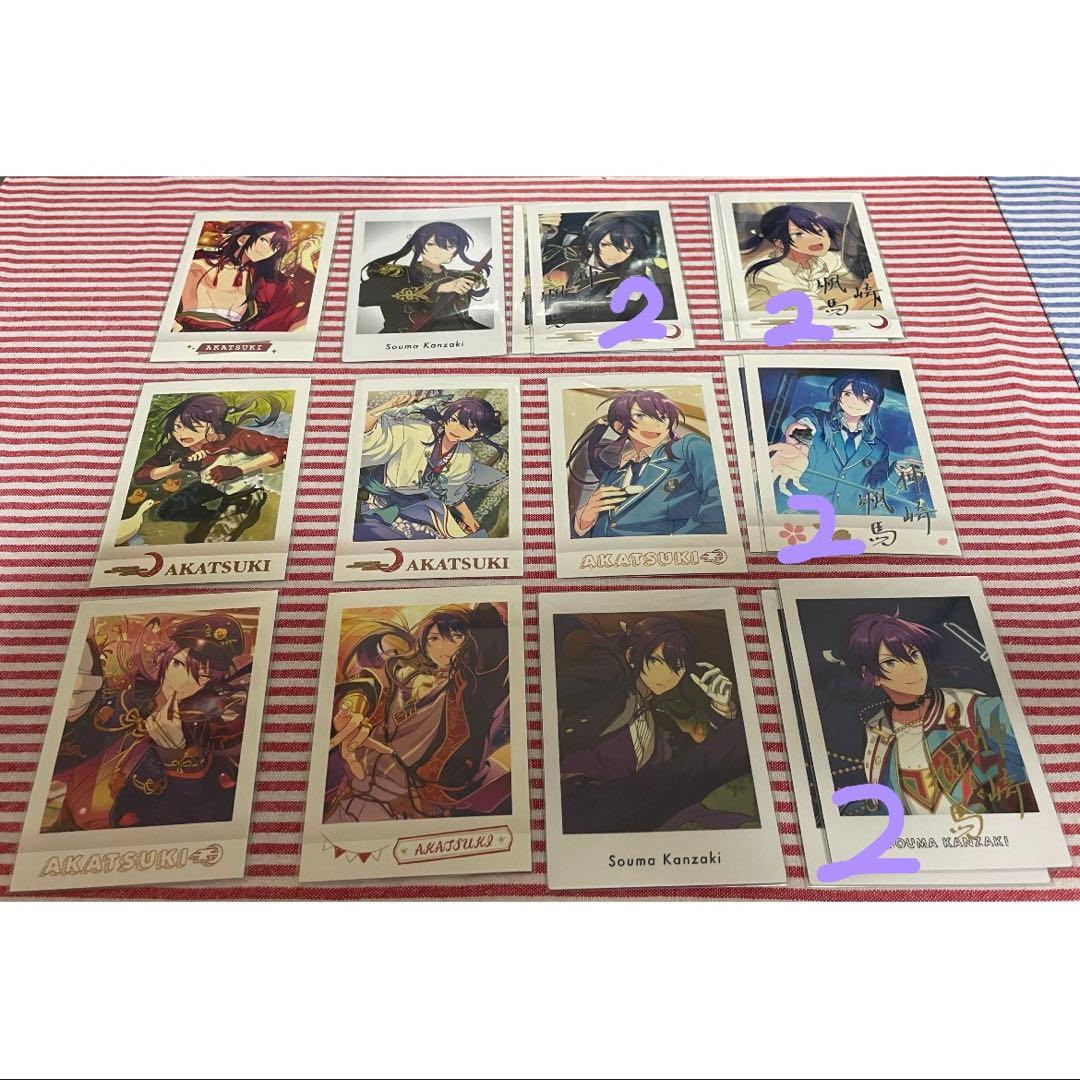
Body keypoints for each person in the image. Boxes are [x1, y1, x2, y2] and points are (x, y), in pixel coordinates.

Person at [44, 613, 251, 831]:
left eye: (202, 677)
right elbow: (66, 753)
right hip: (62, 825)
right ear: (165, 660)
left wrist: (175, 755)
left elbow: (199, 816)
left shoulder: (206, 738)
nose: (183, 682)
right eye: (178, 665)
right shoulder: (123, 702)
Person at [555, 614, 754, 833]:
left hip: (617, 813)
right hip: (576, 802)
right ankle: (748, 735)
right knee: (692, 769)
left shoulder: (658, 725)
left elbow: (691, 760)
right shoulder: (611, 680)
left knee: (696, 797)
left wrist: (721, 707)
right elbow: (560, 688)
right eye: (658, 661)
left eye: (678, 667)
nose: (669, 676)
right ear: (632, 656)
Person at [835, 611, 1034, 816]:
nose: (912, 668)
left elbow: (1022, 792)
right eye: (891, 662)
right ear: (871, 675)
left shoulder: (977, 709)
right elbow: (888, 810)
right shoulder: (877, 733)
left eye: (914, 655)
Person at [324, 604, 511, 821]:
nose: (444, 647)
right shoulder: (407, 675)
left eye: (456, 637)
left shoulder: (470, 689)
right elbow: (369, 682)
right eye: (434, 639)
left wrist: (493, 612)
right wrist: (352, 707)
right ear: (424, 644)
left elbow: (493, 642)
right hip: (356, 790)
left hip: (405, 806)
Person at [129, 393, 288, 544]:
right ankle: (215, 517)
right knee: (168, 511)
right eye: (177, 426)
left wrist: (238, 470)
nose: (181, 434)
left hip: (245, 490)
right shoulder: (181, 444)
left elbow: (283, 447)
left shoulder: (240, 437)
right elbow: (142, 475)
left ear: (213, 426)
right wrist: (179, 466)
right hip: (211, 485)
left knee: (211, 541)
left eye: (193, 426)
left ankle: (243, 514)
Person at [567, 389, 725, 537]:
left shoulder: (688, 447)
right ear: (620, 425)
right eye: (641, 416)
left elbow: (720, 504)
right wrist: (583, 522)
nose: (655, 424)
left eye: (662, 417)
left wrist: (674, 546)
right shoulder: (611, 476)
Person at [354, 392, 506, 542]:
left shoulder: (464, 456)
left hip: (416, 503)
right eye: (453, 420)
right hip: (377, 496)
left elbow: (452, 491)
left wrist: (467, 516)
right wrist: (387, 406)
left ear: (478, 432)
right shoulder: (415, 431)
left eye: (469, 426)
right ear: (446, 417)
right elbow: (367, 432)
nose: (457, 429)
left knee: (458, 537)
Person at [768, 373, 896, 516]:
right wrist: (798, 442)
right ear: (837, 395)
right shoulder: (816, 418)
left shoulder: (879, 449)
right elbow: (804, 424)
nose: (855, 402)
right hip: (797, 511)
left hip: (845, 518)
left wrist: (899, 473)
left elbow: (876, 489)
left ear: (874, 405)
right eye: (848, 394)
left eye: (866, 399)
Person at [172, 220, 321, 332]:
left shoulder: (266, 282)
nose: (268, 250)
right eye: (264, 240)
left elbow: (305, 303)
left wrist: (305, 259)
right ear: (242, 239)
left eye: (275, 247)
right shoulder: (195, 264)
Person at [539, 210, 675, 324]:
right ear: (591, 245)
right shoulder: (569, 250)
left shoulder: (632, 279)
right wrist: (543, 228)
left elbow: (604, 313)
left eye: (626, 248)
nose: (614, 254)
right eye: (606, 245)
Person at [740, 204, 879, 311]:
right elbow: (820, 315)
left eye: (819, 230)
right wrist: (864, 295)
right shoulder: (768, 271)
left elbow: (856, 275)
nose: (816, 238)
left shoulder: (823, 258)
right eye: (799, 234)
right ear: (780, 243)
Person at [357, 221, 491, 332]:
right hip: (402, 343)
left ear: (455, 252)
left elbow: (462, 321)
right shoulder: (397, 273)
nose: (438, 251)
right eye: (431, 244)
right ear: (416, 246)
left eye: (449, 246)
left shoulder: (460, 276)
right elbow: (361, 297)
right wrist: (436, 288)